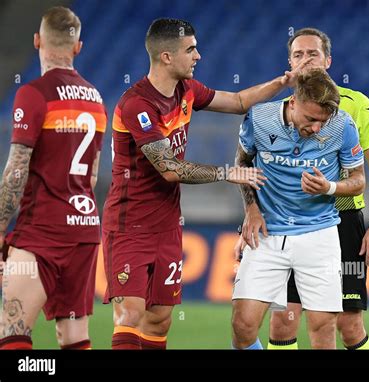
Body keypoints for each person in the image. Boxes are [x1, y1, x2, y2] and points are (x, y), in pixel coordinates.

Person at [102, 18, 306, 350]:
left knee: (159, 317)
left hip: (166, 225)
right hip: (129, 225)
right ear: (167, 56)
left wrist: (282, 83)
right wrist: (227, 172)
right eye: (191, 49)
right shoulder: (136, 104)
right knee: (131, 314)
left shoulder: (187, 91)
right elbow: (168, 168)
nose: (198, 56)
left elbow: (239, 101)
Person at [235, 28, 369, 350]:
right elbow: (247, 165)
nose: (305, 60)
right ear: (289, 63)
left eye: (313, 54)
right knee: (283, 319)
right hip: (284, 226)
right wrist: (251, 212)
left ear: (328, 60)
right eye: (298, 54)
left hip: (342, 217)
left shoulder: (354, 105)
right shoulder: (274, 114)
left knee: (347, 323)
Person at [0, 6, 106, 350]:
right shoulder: (96, 99)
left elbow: (17, 167)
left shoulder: (33, 93)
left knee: (12, 331)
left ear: (36, 41)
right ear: (78, 47)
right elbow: (91, 178)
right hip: (85, 227)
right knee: (73, 336)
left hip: (42, 231)